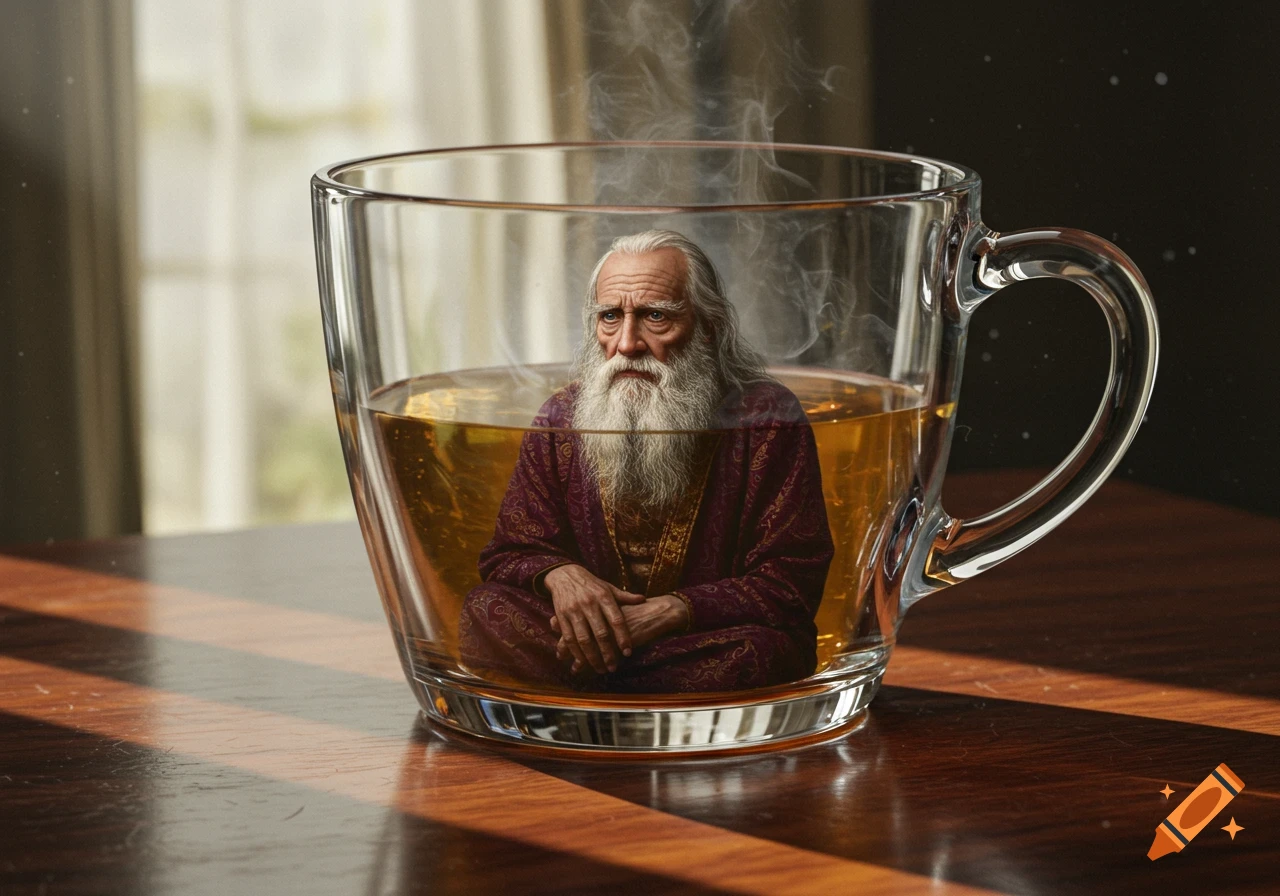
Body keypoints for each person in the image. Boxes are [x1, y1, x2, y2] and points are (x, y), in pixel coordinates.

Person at [459, 230, 833, 693]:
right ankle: (629, 676)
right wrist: (564, 577)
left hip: (705, 639)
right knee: (486, 611)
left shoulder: (765, 419)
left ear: (708, 326)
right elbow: (509, 553)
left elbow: (789, 581)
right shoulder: (561, 417)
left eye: (656, 316)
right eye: (611, 317)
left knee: (762, 653)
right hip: (631, 651)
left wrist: (670, 611)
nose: (627, 343)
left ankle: (592, 680)